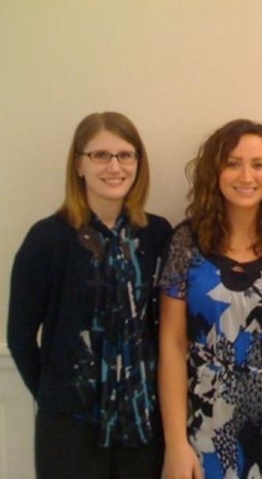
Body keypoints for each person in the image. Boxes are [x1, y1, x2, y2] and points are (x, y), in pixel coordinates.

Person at [158, 119, 262, 479]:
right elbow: (172, 343)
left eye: (258, 164)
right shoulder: (186, 243)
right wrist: (176, 443)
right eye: (233, 163)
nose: (246, 176)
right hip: (208, 425)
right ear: (214, 171)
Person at [7, 112, 172, 478]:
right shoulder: (47, 239)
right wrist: (56, 400)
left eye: (125, 155)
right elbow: (19, 337)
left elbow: (166, 327)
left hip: (142, 426)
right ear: (79, 164)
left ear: (138, 163)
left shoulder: (157, 235)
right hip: (72, 430)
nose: (115, 166)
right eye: (100, 155)